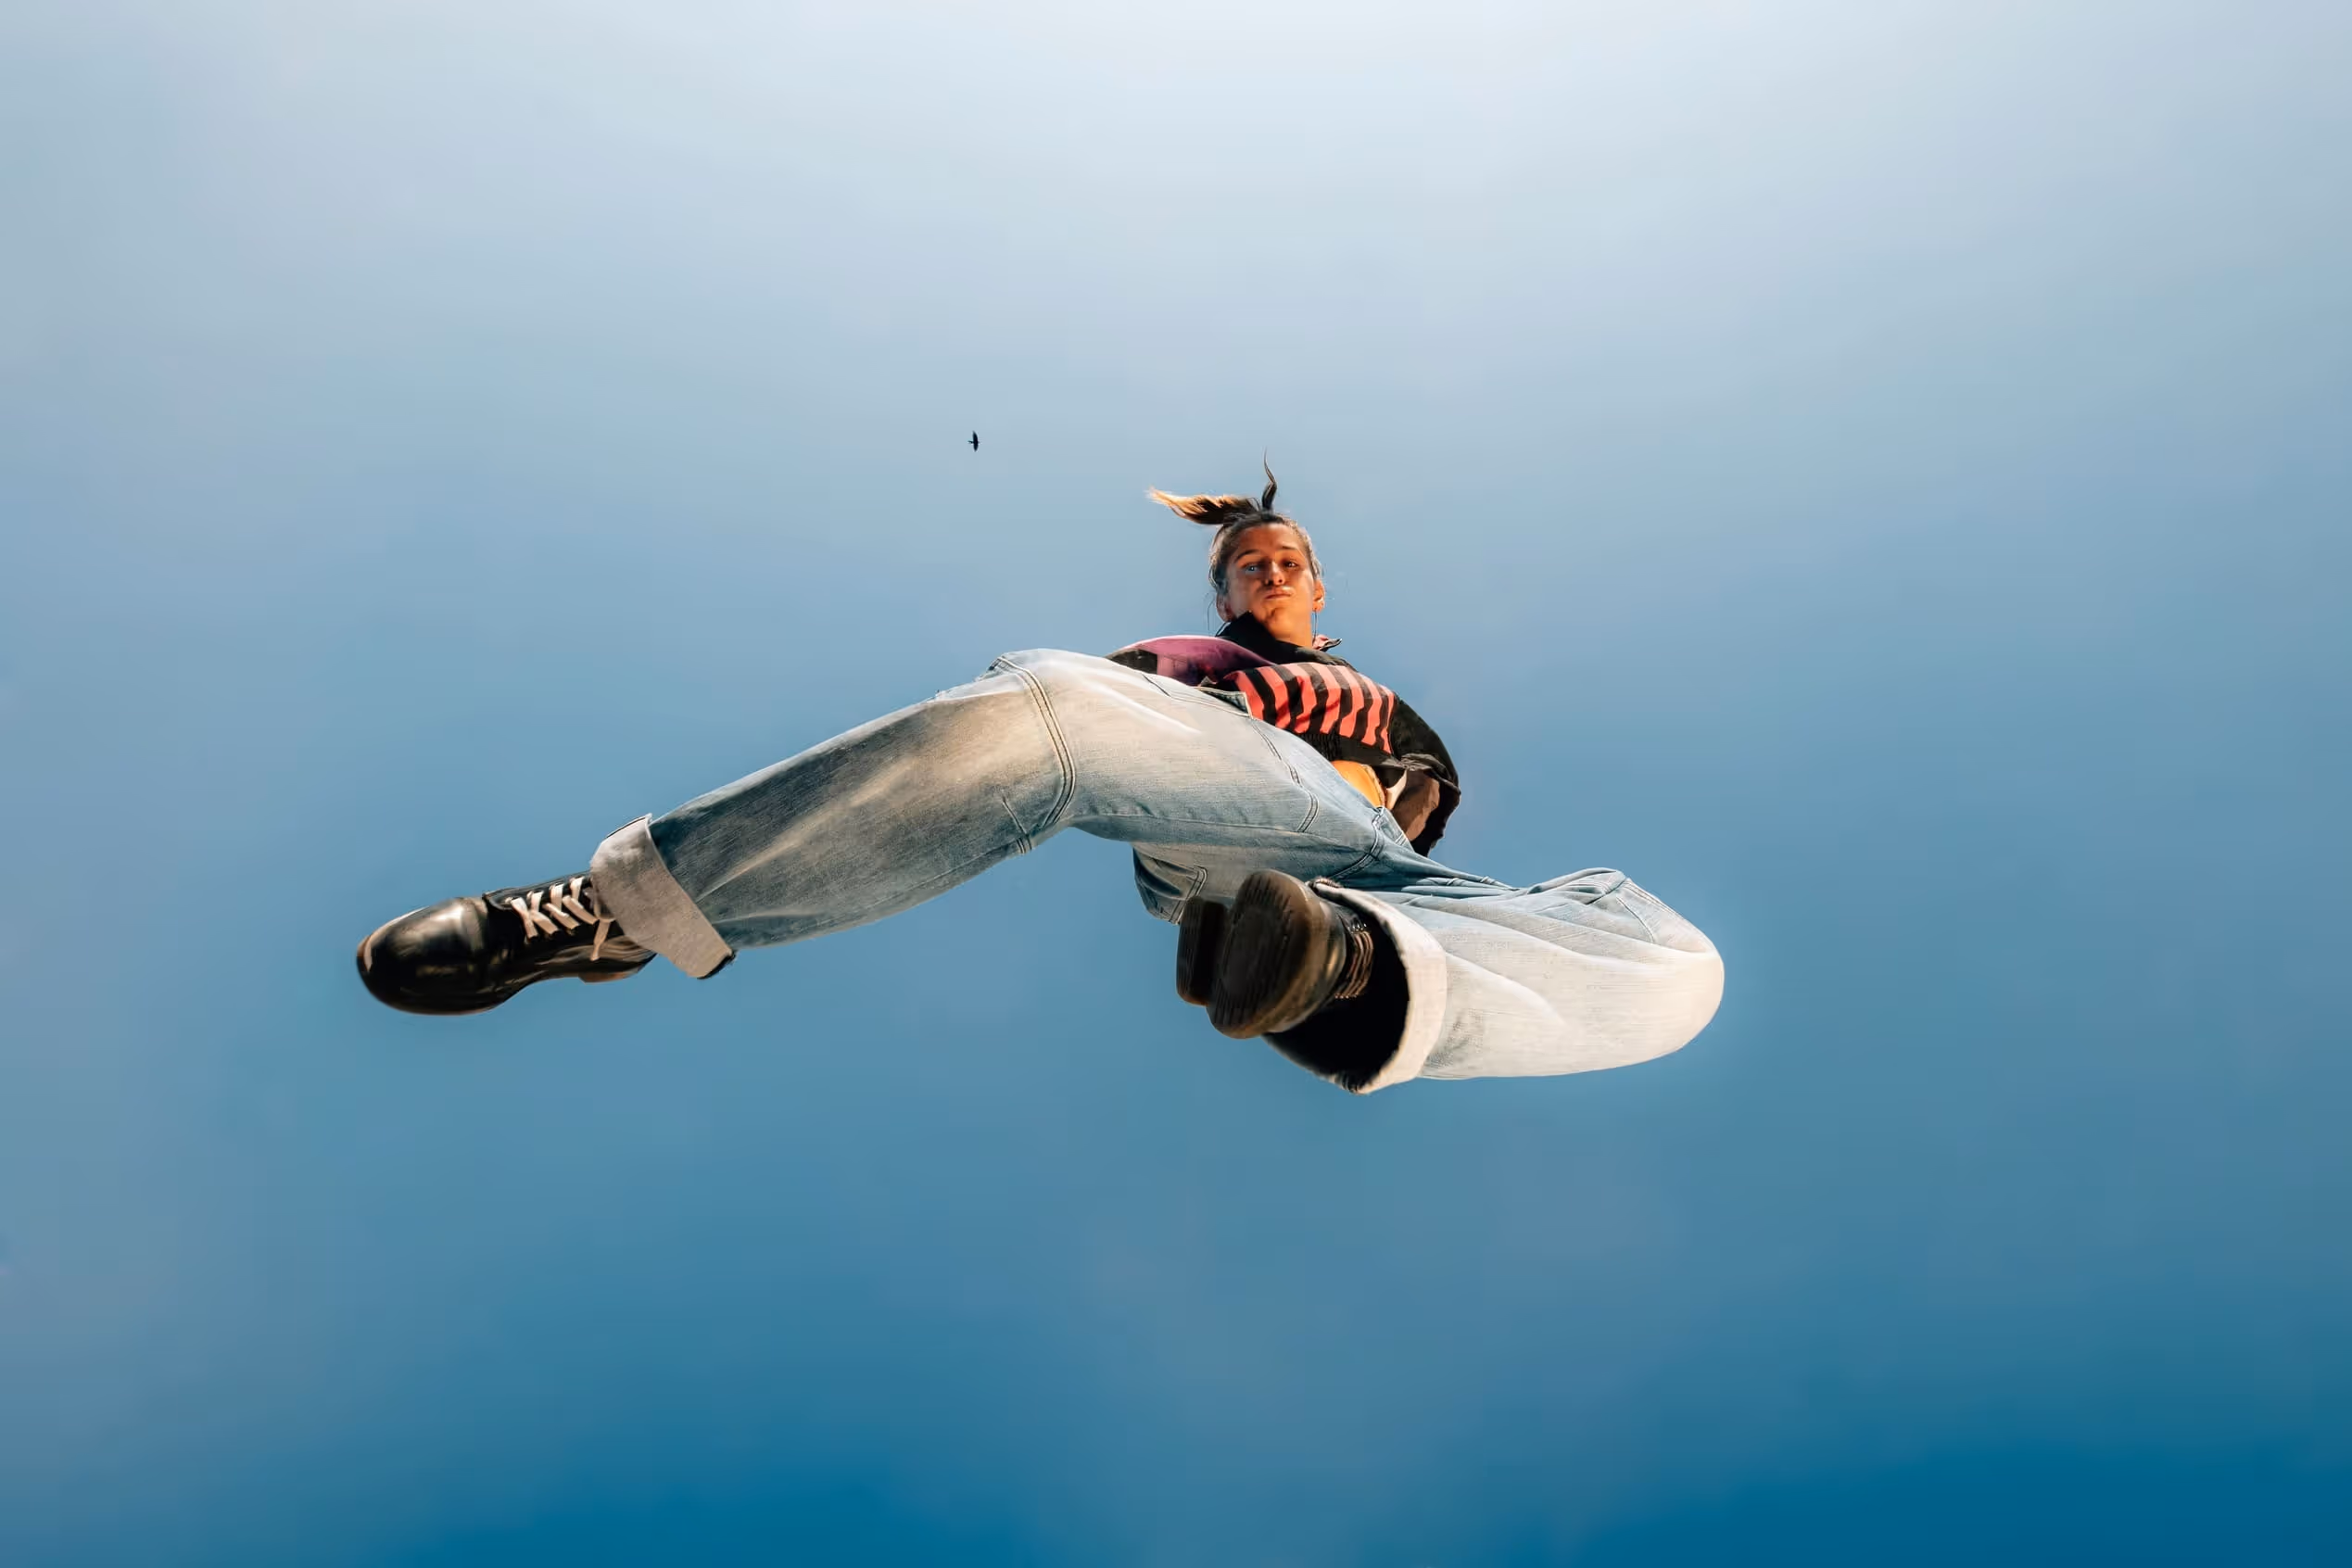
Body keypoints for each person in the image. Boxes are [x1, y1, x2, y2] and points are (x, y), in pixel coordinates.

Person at [356, 468, 1724, 1093]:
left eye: (1290, 558)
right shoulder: (1192, 654)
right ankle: (619, 917)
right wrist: (1164, 689)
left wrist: (1385, 870)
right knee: (1058, 702)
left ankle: (1344, 979)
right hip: (1222, 825)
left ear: (1319, 581)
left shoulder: (1399, 713)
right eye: (1251, 559)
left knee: (1677, 970)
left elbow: (1417, 817)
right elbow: (1102, 729)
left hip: (1385, 882)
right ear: (1226, 584)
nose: (1271, 569)